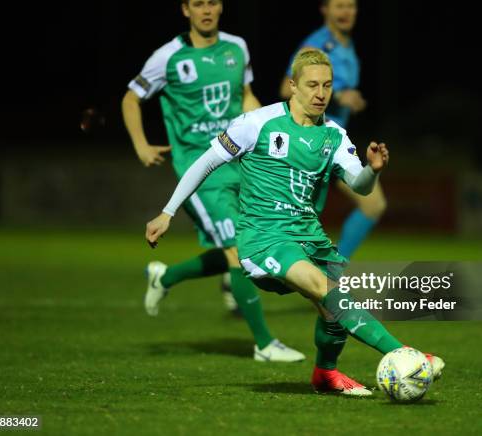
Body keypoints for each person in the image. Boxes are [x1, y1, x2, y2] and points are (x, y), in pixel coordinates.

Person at [146, 48, 444, 395]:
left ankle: (325, 374)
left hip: (309, 236)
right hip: (265, 238)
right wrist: (167, 212)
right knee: (326, 290)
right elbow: (205, 163)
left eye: (327, 86)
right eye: (313, 85)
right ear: (293, 86)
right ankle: (406, 355)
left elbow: (359, 187)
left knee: (335, 312)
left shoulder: (334, 135)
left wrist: (372, 171)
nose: (321, 94)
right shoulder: (256, 123)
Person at [122, 0, 304, 362]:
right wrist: (141, 145)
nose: (207, 10)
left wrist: (262, 130)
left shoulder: (237, 47)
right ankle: (265, 345)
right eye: (199, 3)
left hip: (240, 162)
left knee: (240, 247)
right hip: (200, 170)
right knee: (239, 252)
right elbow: (131, 98)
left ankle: (166, 277)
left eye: (213, 3)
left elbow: (246, 95)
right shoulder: (168, 57)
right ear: (185, 9)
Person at [280, 0, 386, 259]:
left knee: (371, 204)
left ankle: (331, 273)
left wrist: (349, 99)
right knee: (294, 219)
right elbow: (286, 89)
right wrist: (338, 97)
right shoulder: (316, 45)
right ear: (324, 9)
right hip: (310, 141)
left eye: (350, 6)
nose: (346, 12)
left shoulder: (347, 47)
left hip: (333, 141)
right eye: (339, 6)